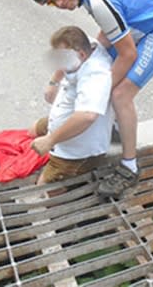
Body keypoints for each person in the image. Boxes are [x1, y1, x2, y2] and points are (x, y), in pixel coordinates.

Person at [28, 0, 153, 198]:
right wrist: (57, 79)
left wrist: (93, 100)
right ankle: (115, 127)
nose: (60, 3)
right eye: (53, 2)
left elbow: (128, 54)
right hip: (143, 20)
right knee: (101, 63)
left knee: (119, 94)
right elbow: (100, 40)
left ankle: (129, 167)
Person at [29, 26, 114, 186]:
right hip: (65, 115)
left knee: (43, 188)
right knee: (32, 130)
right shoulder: (87, 45)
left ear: (81, 55)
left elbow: (87, 116)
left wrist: (50, 140)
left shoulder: (96, 75)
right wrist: (54, 82)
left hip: (77, 150)